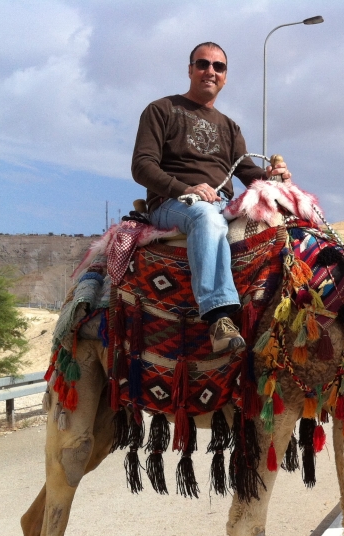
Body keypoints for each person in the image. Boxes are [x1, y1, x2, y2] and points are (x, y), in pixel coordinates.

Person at [132, 41, 291, 353]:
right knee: (206, 216)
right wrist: (185, 189)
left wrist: (274, 178)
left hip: (222, 204)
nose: (210, 71)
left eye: (218, 67)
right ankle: (219, 317)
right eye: (203, 64)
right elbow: (142, 166)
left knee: (278, 224)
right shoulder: (161, 110)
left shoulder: (230, 127)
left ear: (225, 77)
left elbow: (246, 171)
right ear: (190, 70)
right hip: (172, 204)